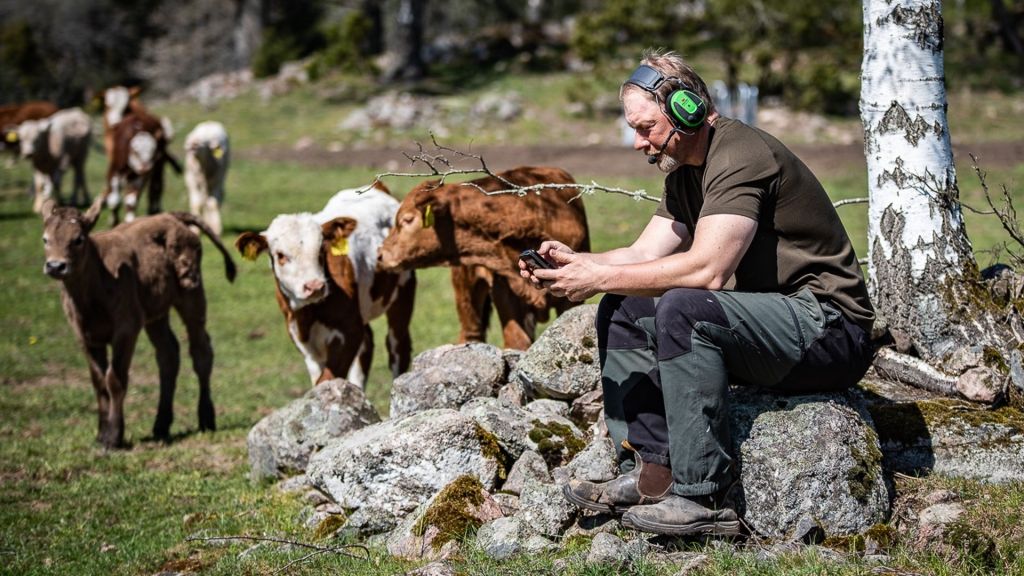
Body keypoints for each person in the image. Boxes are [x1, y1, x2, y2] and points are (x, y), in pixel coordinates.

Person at [518, 48, 875, 537]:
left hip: (831, 331)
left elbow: (707, 270)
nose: (639, 143)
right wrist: (577, 264)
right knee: (625, 307)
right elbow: (643, 255)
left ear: (686, 110)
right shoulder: (683, 172)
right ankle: (652, 473)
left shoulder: (741, 154)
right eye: (634, 129)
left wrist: (596, 277)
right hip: (780, 327)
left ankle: (702, 496)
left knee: (685, 307)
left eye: (646, 128)